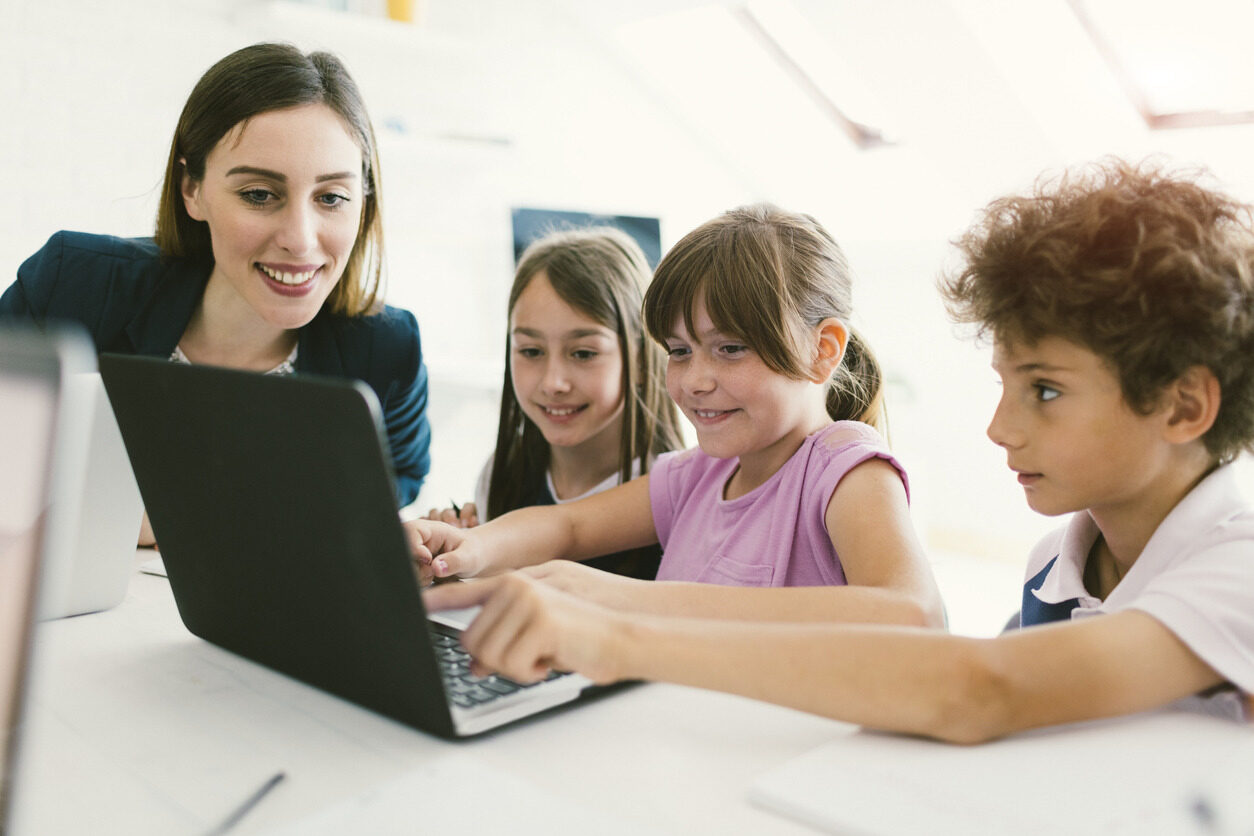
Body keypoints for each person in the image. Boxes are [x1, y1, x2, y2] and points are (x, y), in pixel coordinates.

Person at [422, 160, 1254, 742]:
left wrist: (611, 622)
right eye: (679, 351)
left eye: (1042, 389)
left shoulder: (1240, 566)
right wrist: (471, 551)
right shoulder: (1055, 566)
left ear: (1184, 405)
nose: (998, 428)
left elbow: (973, 683)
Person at [411, 204, 945, 628]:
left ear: (822, 349)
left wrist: (638, 602)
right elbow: (568, 526)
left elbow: (915, 615)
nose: (694, 381)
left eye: (730, 348)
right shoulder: (697, 473)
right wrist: (468, 549)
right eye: (680, 351)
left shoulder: (845, 471)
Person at [0, 43, 432, 526]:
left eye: (331, 197)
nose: (299, 239)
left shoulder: (388, 349)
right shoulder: (73, 285)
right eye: (259, 195)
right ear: (192, 190)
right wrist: (124, 520)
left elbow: (397, 479)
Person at [425, 227, 684, 579]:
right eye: (531, 351)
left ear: (641, 359)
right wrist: (456, 559)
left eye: (583, 353)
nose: (553, 383)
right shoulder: (503, 473)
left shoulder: (680, 491)